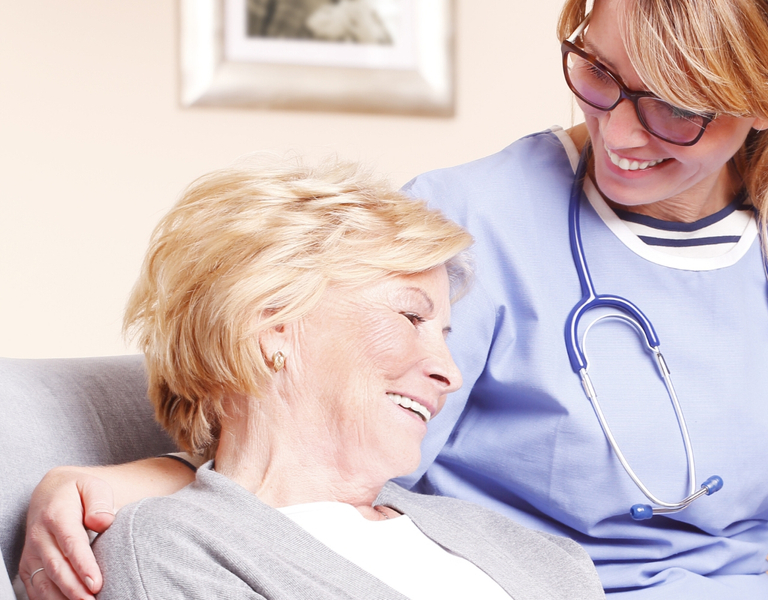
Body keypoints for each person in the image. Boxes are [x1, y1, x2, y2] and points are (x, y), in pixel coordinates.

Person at [19, 0, 768, 598]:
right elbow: (317, 469)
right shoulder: (469, 222)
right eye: (597, 71)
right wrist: (137, 479)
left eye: (676, 109)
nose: (619, 129)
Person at [81, 159, 605, 599]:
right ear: (273, 327)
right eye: (411, 318)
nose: (450, 372)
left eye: (444, 332)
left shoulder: (533, 553)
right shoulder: (179, 550)